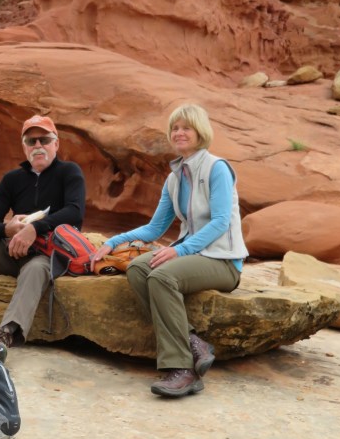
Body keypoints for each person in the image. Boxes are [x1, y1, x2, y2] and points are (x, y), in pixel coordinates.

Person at [91, 103, 248, 399]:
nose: (179, 133)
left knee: (162, 277)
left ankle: (182, 370)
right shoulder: (175, 177)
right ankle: (192, 341)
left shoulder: (217, 169)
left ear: (200, 131)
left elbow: (220, 222)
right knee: (138, 268)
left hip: (223, 261)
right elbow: (154, 229)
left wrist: (180, 251)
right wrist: (112, 242)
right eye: (175, 128)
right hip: (193, 255)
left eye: (186, 127)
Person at [0, 115, 86, 349]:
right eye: (31, 141)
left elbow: (75, 211)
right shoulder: (13, 179)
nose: (38, 146)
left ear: (56, 144)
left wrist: (35, 228)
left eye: (44, 139)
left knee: (35, 270)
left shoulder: (69, 172)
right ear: (24, 147)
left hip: (49, 254)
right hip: (12, 251)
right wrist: (7, 228)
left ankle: (7, 331)